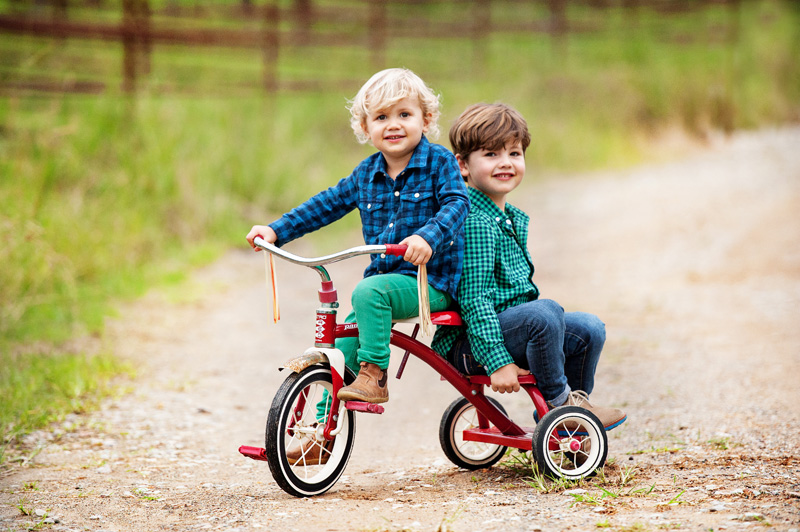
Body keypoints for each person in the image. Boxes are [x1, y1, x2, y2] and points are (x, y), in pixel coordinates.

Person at [247, 68, 469, 410]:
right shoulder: (366, 173)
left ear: (425, 120)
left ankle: (374, 376)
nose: (393, 125)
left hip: (431, 282)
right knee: (340, 346)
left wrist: (428, 237)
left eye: (404, 115)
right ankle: (320, 432)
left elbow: (458, 202)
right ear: (366, 128)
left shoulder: (439, 162)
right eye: (381, 117)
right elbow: (327, 204)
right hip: (384, 287)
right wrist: (276, 230)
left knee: (368, 292)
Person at [432, 103, 626, 430]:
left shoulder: (507, 218)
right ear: (462, 165)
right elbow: (474, 300)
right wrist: (497, 361)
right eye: (491, 154)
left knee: (588, 328)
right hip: (472, 343)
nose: (506, 162)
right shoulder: (476, 222)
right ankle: (561, 408)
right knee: (543, 312)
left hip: (512, 329)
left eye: (514, 153)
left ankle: (574, 405)